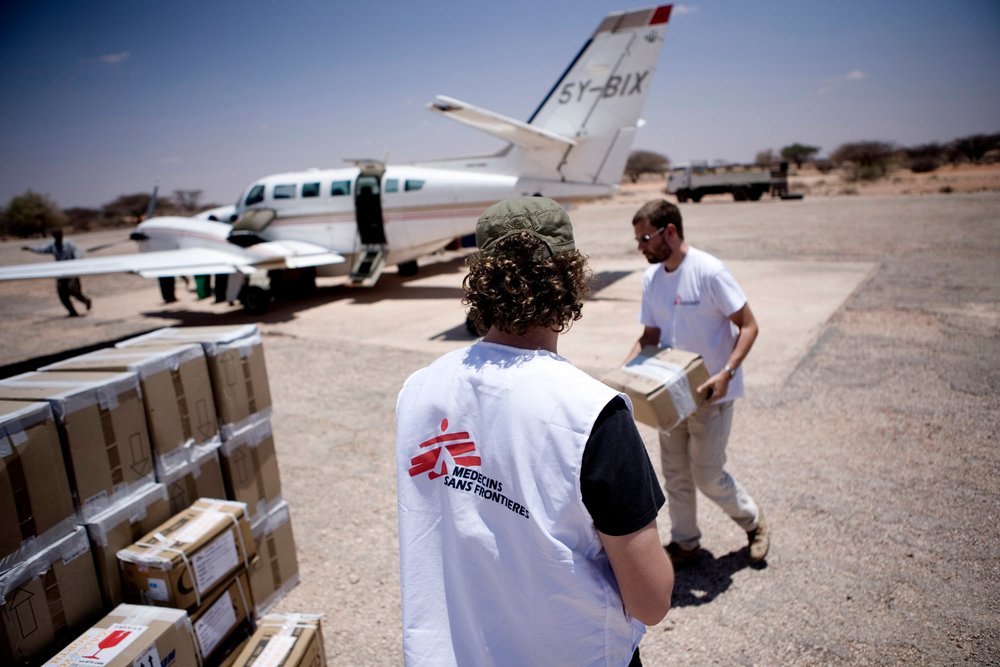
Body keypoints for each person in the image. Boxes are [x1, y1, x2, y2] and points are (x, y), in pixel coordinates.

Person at [396, 197, 674, 666]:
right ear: (569, 282)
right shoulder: (592, 414)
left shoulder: (419, 391)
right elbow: (651, 600)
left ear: (480, 283)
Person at [626, 199, 769, 568]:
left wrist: (728, 373)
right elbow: (650, 335)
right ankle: (685, 543)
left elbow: (749, 325)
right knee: (675, 475)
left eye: (644, 237)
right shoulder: (652, 279)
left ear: (669, 232)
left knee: (706, 475)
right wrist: (622, 375)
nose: (640, 246)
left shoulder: (709, 272)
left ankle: (753, 522)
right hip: (670, 397)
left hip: (711, 395)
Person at [22, 228, 93, 317]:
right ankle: (72, 312)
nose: (57, 237)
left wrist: (77, 265)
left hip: (72, 271)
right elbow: (42, 249)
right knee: (62, 293)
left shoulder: (69, 244)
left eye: (58, 235)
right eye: (55, 236)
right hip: (60, 272)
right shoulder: (53, 245)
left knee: (74, 291)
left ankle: (86, 301)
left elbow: (78, 254)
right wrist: (30, 248)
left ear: (62, 235)